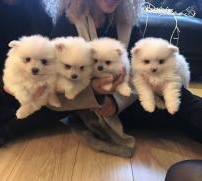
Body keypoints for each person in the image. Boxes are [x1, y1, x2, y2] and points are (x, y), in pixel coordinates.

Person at [50, 0, 202, 142]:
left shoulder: (127, 21)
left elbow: (137, 68)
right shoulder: (67, 23)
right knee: (176, 117)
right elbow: (55, 84)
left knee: (176, 94)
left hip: (126, 97)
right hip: (90, 108)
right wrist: (95, 93)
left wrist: (117, 101)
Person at [0, 0, 70, 151]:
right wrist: (9, 87)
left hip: (36, 86)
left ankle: (5, 131)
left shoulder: (39, 14)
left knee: (65, 100)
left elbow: (50, 59)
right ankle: (9, 125)